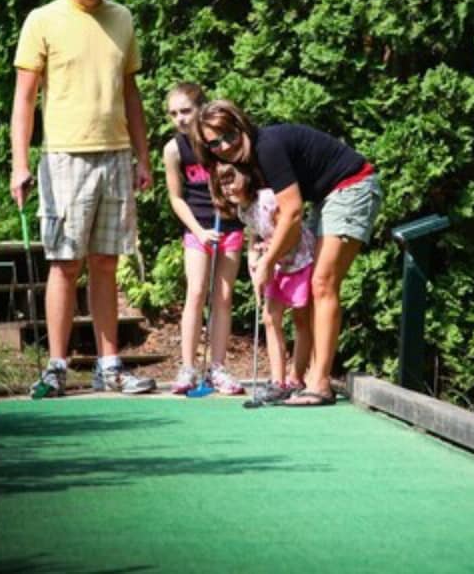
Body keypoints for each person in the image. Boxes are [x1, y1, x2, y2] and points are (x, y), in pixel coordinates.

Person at [10, 0, 156, 396]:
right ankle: (56, 367)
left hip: (115, 154)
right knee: (65, 263)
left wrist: (143, 157)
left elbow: (130, 93)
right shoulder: (43, 20)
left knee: (106, 262)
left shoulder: (122, 18)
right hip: (64, 157)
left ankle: (109, 367)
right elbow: (24, 99)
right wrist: (19, 164)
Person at [193, 100, 382, 406]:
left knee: (323, 283)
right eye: (215, 143)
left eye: (229, 135)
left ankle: (320, 385)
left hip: (352, 186)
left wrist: (268, 262)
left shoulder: (267, 147)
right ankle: (308, 378)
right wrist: (262, 254)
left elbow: (292, 212)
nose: (224, 146)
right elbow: (276, 219)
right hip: (326, 198)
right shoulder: (248, 159)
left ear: (241, 126)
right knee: (316, 288)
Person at [162, 83, 244, 395]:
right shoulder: (173, 149)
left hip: (229, 225)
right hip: (198, 228)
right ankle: (188, 368)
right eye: (173, 113)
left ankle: (218, 367)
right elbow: (176, 198)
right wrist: (198, 230)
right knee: (196, 292)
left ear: (201, 109)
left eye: (186, 111)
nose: (180, 119)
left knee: (222, 296)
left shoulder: (220, 142)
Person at [215, 162, 312, 403]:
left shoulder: (267, 199)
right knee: (270, 318)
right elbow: (255, 233)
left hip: (299, 260)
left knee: (301, 320)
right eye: (222, 183)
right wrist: (253, 259)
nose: (227, 188)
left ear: (246, 177)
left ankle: (296, 378)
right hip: (275, 264)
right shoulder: (242, 211)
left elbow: (290, 230)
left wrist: (269, 255)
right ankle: (278, 381)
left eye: (231, 179)